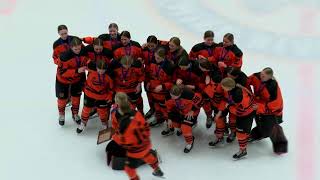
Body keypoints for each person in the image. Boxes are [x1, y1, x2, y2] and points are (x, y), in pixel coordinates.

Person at [111, 92, 164, 180]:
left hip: (135, 150)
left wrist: (114, 136)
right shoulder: (136, 113)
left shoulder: (123, 122)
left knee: (129, 169)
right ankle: (157, 169)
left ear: (117, 103)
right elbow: (146, 126)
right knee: (147, 155)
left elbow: (122, 140)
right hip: (146, 143)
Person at [209, 78, 255, 159]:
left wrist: (229, 107)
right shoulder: (231, 90)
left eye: (223, 87)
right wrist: (220, 111)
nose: (222, 89)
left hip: (246, 114)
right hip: (239, 110)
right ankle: (220, 136)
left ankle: (243, 150)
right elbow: (226, 100)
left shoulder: (239, 96)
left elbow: (240, 111)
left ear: (228, 87)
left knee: (241, 133)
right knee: (221, 118)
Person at [56, 37, 88, 126]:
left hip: (77, 79)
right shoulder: (64, 57)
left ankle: (75, 114)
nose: (78, 50)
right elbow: (61, 72)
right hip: (63, 80)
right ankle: (61, 114)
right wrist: (77, 70)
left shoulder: (84, 51)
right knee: (62, 99)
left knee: (76, 97)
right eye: (75, 49)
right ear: (71, 47)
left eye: (79, 48)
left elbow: (88, 59)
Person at [76, 59, 113, 133]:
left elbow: (111, 88)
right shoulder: (91, 73)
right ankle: (83, 123)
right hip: (90, 95)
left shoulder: (108, 78)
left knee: (102, 111)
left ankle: (104, 124)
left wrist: (109, 96)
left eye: (103, 70)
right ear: (96, 68)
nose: (101, 71)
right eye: (99, 69)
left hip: (102, 97)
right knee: (86, 110)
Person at [247, 67, 283, 142]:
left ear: (269, 77)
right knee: (259, 124)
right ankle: (253, 135)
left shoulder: (272, 87)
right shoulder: (256, 76)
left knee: (267, 131)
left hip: (271, 111)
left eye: (263, 76)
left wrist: (259, 107)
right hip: (258, 106)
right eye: (261, 74)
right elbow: (246, 81)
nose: (261, 76)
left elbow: (276, 104)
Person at [163, 86, 203, 153]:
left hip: (190, 113)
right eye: (171, 95)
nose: (172, 98)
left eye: (174, 96)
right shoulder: (168, 96)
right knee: (173, 123)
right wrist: (169, 118)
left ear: (180, 94)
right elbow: (169, 108)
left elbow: (201, 102)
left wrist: (193, 110)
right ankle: (180, 127)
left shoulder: (189, 95)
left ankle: (190, 142)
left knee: (185, 127)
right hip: (180, 112)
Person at [145, 48, 175, 127]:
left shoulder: (169, 66)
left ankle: (170, 127)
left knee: (165, 110)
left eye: (158, 58)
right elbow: (149, 73)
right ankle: (159, 119)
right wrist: (148, 82)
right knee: (157, 108)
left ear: (164, 57)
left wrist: (163, 86)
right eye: (155, 57)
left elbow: (173, 83)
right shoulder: (153, 61)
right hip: (153, 91)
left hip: (163, 94)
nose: (156, 59)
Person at [142, 35, 169, 119]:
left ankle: (162, 113)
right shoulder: (144, 49)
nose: (150, 47)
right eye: (149, 45)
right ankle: (152, 109)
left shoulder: (161, 49)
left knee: (159, 96)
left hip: (158, 74)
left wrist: (160, 41)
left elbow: (171, 43)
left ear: (157, 43)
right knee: (149, 92)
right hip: (148, 74)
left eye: (152, 46)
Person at [197, 59, 222, 128]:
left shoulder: (216, 76)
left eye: (200, 67)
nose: (199, 68)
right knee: (206, 106)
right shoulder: (208, 68)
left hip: (215, 97)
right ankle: (209, 117)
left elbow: (213, 92)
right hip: (205, 93)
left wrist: (208, 84)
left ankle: (220, 124)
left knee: (216, 109)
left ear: (205, 68)